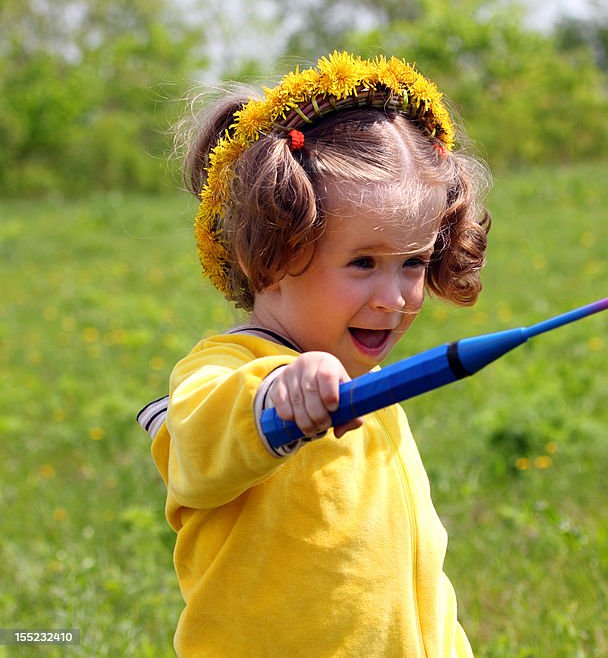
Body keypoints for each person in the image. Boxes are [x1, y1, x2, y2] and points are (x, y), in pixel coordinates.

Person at [136, 52, 491, 656]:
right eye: (362, 263)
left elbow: (420, 581)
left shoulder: (376, 392)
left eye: (413, 262)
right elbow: (194, 445)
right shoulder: (224, 372)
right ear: (271, 254)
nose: (395, 297)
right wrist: (277, 394)